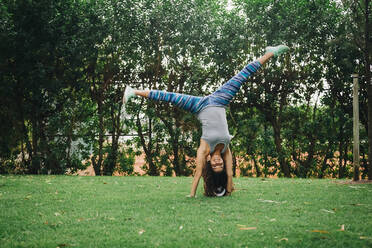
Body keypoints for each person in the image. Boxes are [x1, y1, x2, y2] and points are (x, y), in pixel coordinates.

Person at [123, 45, 289, 197]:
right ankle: (270, 53)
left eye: (215, 165)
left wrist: (192, 194)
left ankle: (133, 92)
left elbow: (198, 173)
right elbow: (230, 175)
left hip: (199, 106)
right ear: (223, 163)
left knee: (169, 97)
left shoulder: (204, 149)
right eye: (220, 165)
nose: (218, 162)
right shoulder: (226, 149)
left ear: (210, 162)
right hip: (220, 100)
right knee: (242, 76)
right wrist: (228, 188)